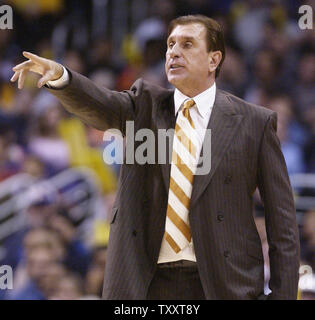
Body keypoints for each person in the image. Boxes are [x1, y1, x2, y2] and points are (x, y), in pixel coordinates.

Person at [11, 15, 300, 300]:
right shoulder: (144, 104)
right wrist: (63, 78)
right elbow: (101, 104)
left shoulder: (255, 123)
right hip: (147, 284)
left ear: (214, 60)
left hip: (222, 283)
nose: (174, 51)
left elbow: (282, 225)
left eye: (187, 44)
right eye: (171, 44)